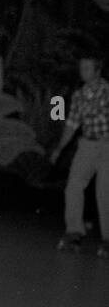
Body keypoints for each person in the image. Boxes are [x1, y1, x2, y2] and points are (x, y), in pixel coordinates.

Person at [51, 54, 109, 258]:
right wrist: (59, 148)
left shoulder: (107, 91)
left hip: (107, 145)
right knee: (73, 185)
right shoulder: (78, 96)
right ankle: (74, 231)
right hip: (86, 145)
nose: (82, 72)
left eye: (87, 68)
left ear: (97, 71)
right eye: (81, 68)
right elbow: (72, 125)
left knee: (105, 191)